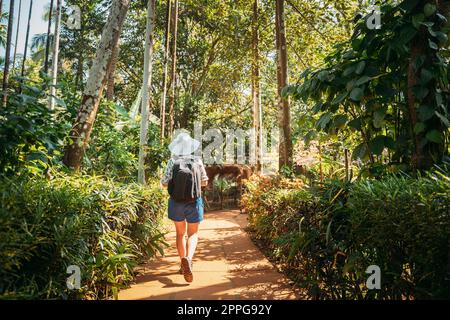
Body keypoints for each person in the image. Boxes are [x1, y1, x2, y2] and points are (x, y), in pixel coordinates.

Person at [160, 132, 208, 283]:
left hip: (176, 203)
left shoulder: (172, 161)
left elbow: (164, 183)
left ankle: (182, 262)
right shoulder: (197, 160)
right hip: (194, 201)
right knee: (193, 233)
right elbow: (205, 182)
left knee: (180, 233)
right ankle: (189, 258)